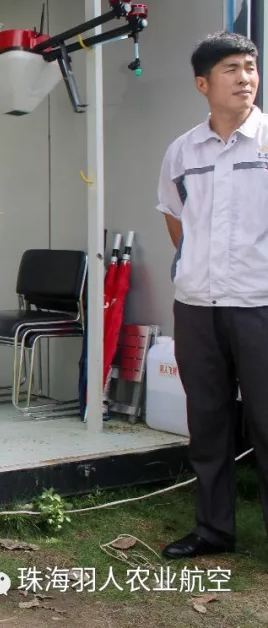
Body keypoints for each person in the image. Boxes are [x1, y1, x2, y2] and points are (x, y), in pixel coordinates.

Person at [156, 31, 268, 560]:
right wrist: (198, 263)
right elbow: (175, 218)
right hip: (198, 306)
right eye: (231, 69)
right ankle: (213, 530)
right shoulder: (183, 151)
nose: (245, 78)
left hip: (260, 303)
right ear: (203, 84)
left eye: (250, 67)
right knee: (207, 422)